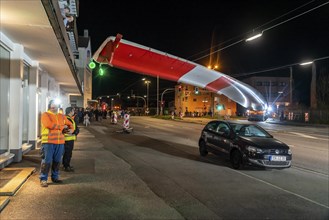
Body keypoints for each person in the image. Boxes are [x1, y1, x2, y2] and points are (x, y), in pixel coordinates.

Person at [39, 100, 73, 187]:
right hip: (48, 142)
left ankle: (55, 177)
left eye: (55, 104)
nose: (53, 106)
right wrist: (62, 127)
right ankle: (43, 179)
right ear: (49, 105)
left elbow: (70, 123)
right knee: (46, 161)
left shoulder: (61, 116)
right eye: (52, 104)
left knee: (57, 161)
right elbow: (49, 125)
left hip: (60, 142)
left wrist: (71, 129)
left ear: (58, 106)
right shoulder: (45, 114)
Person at [62, 107, 79, 172]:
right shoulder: (67, 119)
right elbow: (67, 130)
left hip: (68, 139)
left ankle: (66, 165)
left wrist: (76, 131)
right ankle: (66, 166)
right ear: (70, 111)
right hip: (68, 139)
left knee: (67, 153)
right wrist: (75, 132)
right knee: (68, 153)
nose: (73, 112)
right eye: (73, 111)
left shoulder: (69, 118)